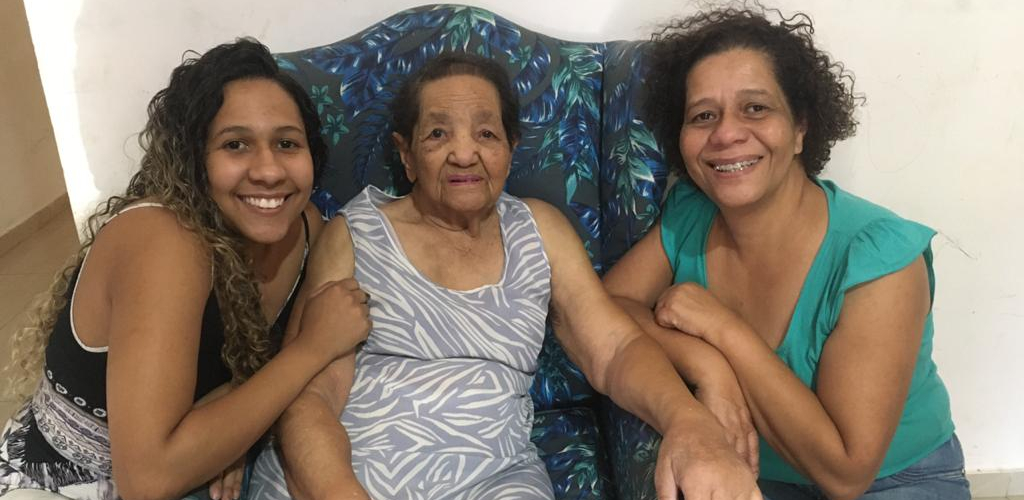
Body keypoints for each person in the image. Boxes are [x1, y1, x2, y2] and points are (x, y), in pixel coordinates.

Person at [246, 53, 761, 500]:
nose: (464, 153)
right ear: (406, 155)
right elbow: (311, 396)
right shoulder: (356, 232)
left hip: (492, 480)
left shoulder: (540, 229)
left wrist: (688, 421)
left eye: (486, 133)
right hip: (346, 476)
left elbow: (616, 349)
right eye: (438, 134)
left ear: (511, 149)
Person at [603, 6, 968, 500]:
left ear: (800, 128)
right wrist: (707, 366)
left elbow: (845, 473)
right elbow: (607, 309)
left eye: (755, 108)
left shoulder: (879, 257)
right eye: (703, 115)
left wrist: (722, 328)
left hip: (892, 482)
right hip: (756, 473)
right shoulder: (690, 212)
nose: (726, 134)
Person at [0, 39, 370, 500]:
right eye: (236, 144)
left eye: (287, 143)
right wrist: (311, 349)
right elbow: (149, 480)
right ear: (194, 158)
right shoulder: (164, 240)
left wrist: (229, 427)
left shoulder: (305, 228)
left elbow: (259, 366)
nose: (270, 171)